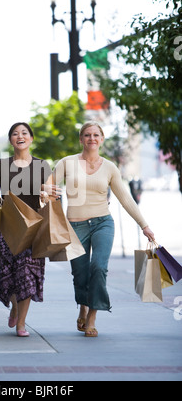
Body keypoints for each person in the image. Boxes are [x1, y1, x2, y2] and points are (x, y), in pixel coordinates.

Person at [53, 121, 155, 338]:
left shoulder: (109, 167)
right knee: (80, 274)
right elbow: (48, 185)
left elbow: (125, 198)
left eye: (96, 135)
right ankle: (83, 305)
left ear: (102, 139)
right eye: (87, 135)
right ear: (81, 139)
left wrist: (144, 225)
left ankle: (92, 315)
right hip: (74, 226)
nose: (92, 138)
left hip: (102, 223)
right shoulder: (66, 163)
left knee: (98, 267)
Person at [0, 123, 58, 337]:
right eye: (15, 134)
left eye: (24, 133)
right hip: (8, 226)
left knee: (28, 273)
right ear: (10, 140)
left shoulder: (43, 166)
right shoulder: (1, 165)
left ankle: (21, 323)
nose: (20, 136)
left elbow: (50, 196)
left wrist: (46, 194)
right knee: (8, 274)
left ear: (31, 139)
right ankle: (14, 306)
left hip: (34, 227)